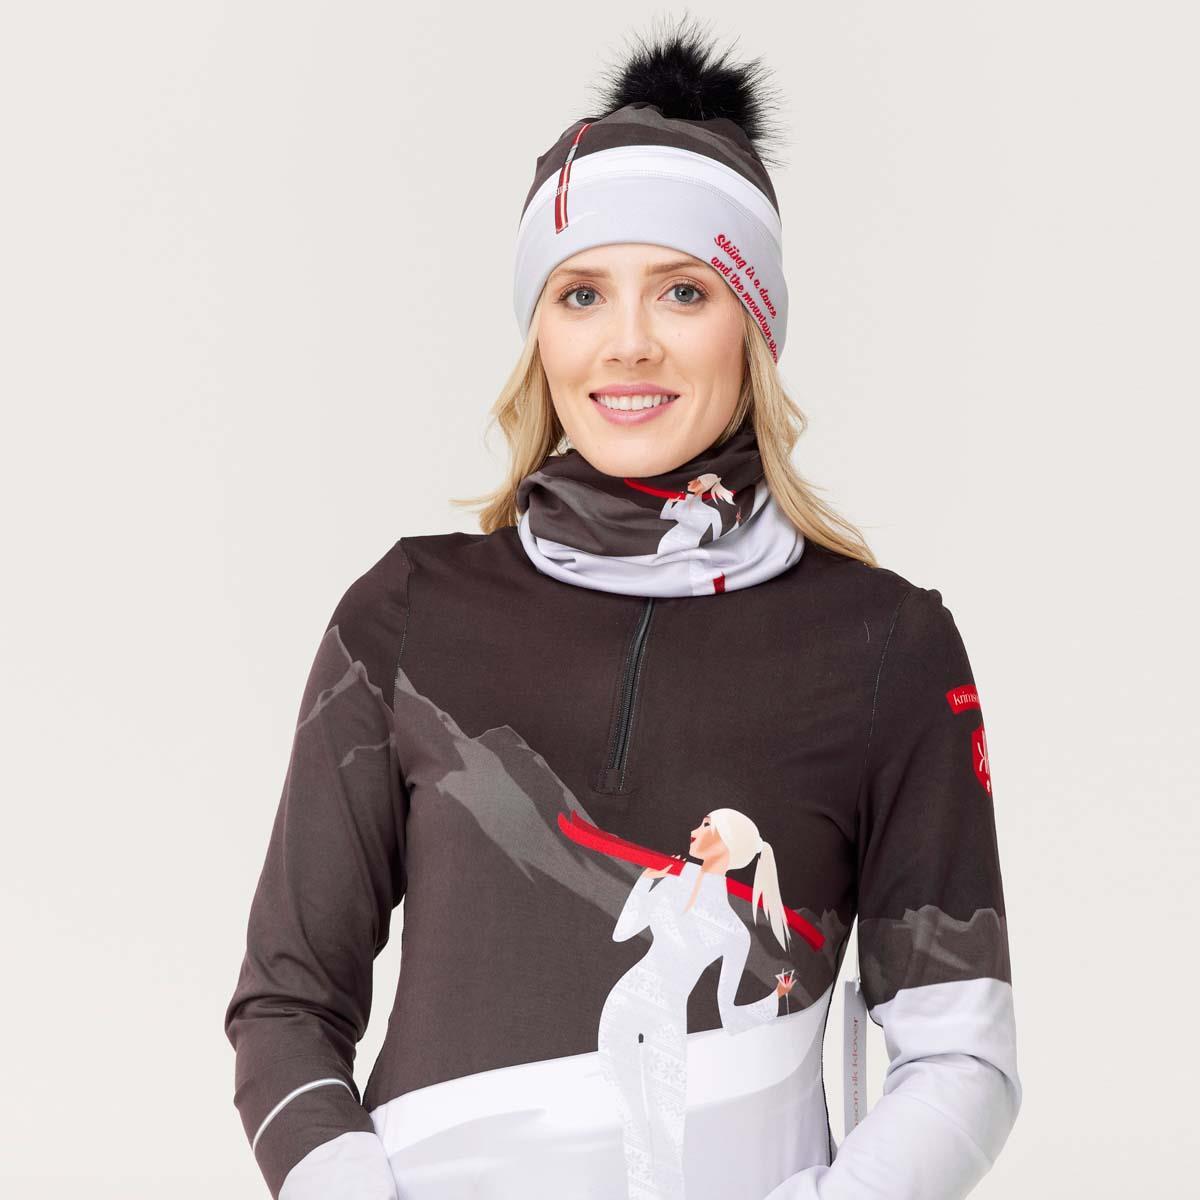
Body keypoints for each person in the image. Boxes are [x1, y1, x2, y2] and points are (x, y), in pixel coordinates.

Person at [223, 15, 1021, 1200]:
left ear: (752, 324)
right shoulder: (405, 617)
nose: (628, 344)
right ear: (539, 331)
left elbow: (962, 1054)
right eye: (583, 293)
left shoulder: (885, 645)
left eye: (684, 291)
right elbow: (284, 1008)